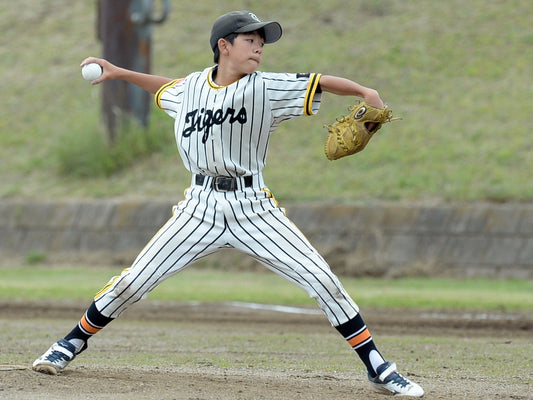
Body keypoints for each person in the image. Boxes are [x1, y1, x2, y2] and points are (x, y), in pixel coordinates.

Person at [33, 11, 424, 397]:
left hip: (254, 208)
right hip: (198, 208)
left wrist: (365, 93)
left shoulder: (266, 87)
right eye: (250, 40)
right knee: (134, 281)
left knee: (323, 280)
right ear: (224, 46)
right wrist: (118, 72)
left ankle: (377, 367)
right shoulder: (190, 88)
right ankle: (71, 342)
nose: (259, 48)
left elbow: (319, 81)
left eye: (261, 42)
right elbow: (166, 88)